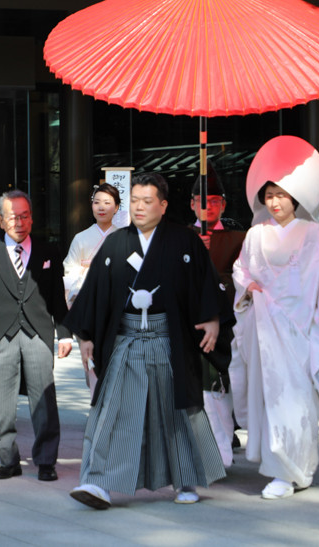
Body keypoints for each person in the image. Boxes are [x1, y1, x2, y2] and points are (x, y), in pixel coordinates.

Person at [66, 172, 226, 509]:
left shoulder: (186, 243)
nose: (139, 207)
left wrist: (212, 318)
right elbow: (94, 294)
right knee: (112, 409)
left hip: (170, 338)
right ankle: (98, 483)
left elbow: (205, 284)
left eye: (147, 201)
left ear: (163, 205)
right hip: (125, 340)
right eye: (135, 200)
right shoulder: (115, 244)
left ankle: (186, 480)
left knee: (177, 410)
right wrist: (85, 337)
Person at [230, 135, 319, 500]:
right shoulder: (254, 234)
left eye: (282, 194)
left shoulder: (314, 234)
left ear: (295, 197)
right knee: (272, 398)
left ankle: (301, 467)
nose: (275, 202)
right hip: (264, 330)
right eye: (270, 194)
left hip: (298, 330)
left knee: (297, 401)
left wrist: (312, 321)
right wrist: (249, 289)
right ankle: (280, 470)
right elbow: (241, 270)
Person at [0, 189, 71, 482]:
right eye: (13, 217)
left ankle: (46, 460)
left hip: (38, 333)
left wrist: (64, 333)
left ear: (32, 218)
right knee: (0, 401)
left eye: (25, 216)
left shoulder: (49, 251)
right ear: (0, 220)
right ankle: (8, 459)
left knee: (44, 400)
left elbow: (56, 299)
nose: (20, 222)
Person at [189, 167, 245, 459]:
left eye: (213, 200)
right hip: (191, 323)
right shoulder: (181, 237)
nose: (207, 206)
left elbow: (242, 280)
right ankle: (207, 447)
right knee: (199, 385)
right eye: (201, 199)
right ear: (191, 204)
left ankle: (225, 441)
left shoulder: (239, 238)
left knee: (224, 382)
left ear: (223, 205)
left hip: (228, 321)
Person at [64, 183, 122, 308]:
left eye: (107, 203)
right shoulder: (80, 238)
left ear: (116, 207)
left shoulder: (125, 238)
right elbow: (69, 269)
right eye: (97, 203)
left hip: (116, 301)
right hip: (87, 300)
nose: (101, 207)